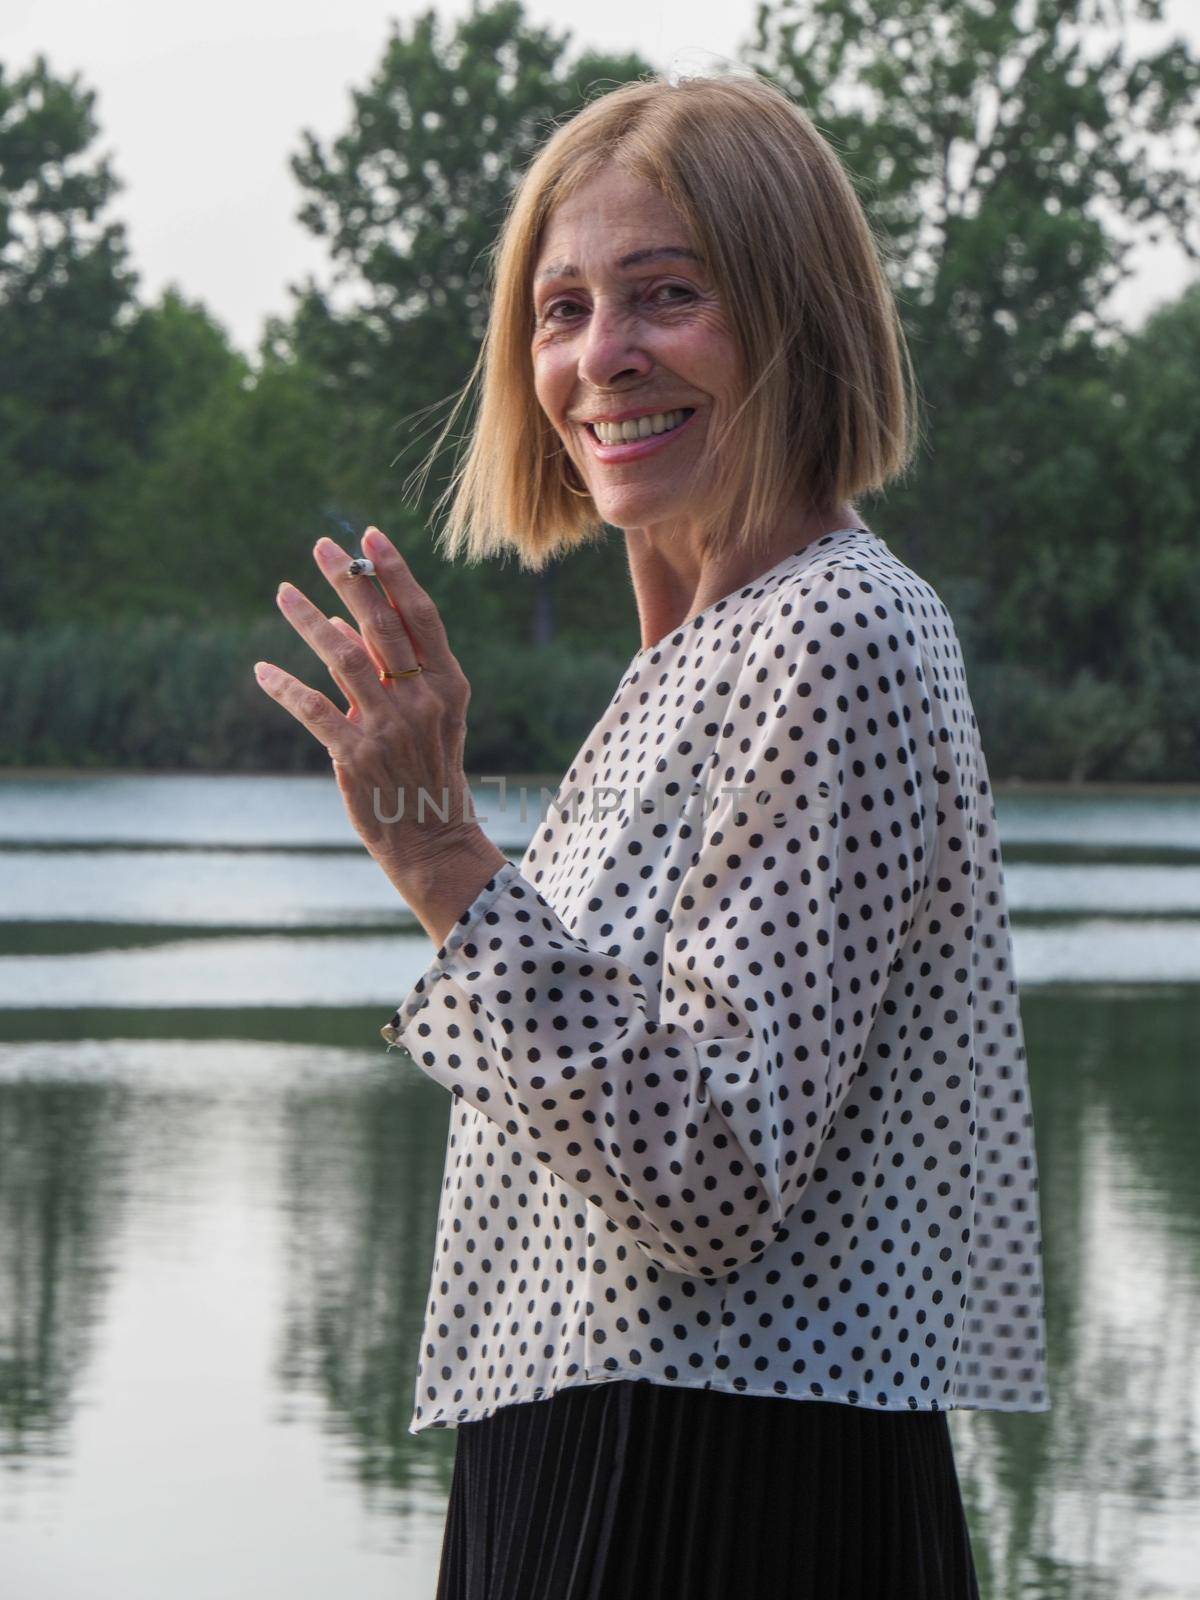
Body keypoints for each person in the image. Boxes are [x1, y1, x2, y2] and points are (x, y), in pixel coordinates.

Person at [254, 67, 1049, 1600]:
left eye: (665, 294)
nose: (600, 357)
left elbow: (708, 1170)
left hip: (728, 1487)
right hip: (590, 1449)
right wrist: (427, 823)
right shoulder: (694, 660)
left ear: (793, 321)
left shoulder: (838, 630)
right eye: (559, 311)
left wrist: (441, 864)